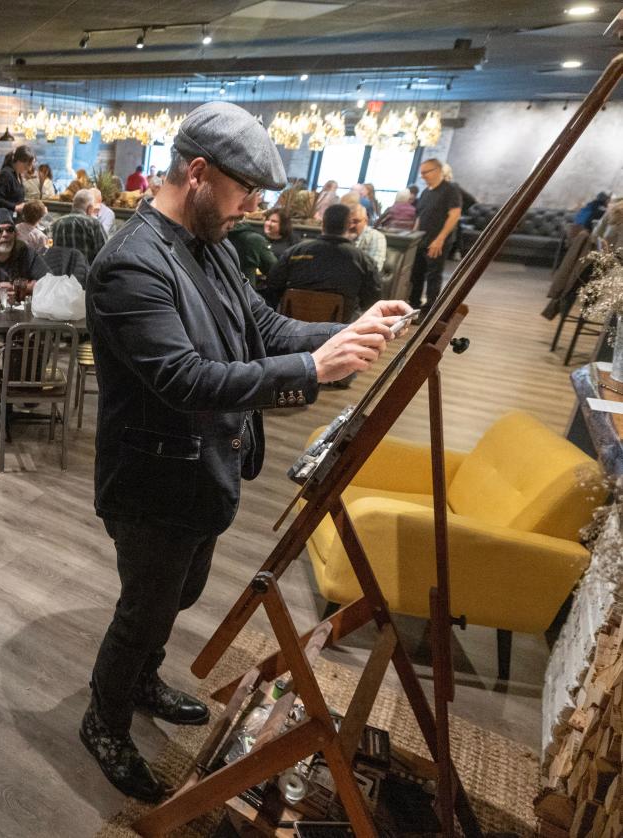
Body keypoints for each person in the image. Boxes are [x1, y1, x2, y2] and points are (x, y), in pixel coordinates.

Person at [80, 100, 409, 803]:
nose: (252, 207)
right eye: (244, 191)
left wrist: (344, 332)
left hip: (205, 466)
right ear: (197, 173)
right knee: (144, 607)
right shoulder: (130, 265)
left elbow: (259, 324)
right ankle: (102, 720)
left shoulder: (214, 244)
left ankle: (140, 681)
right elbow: (184, 379)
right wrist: (314, 369)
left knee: (179, 594)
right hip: (152, 478)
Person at [268, 203, 383, 321]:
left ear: (323, 223)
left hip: (291, 327)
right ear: (348, 225)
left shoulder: (295, 252)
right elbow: (372, 299)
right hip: (338, 331)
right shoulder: (362, 260)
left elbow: (273, 284)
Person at [409, 156, 462, 308]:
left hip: (438, 241)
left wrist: (440, 239)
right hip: (421, 240)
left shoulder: (450, 189)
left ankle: (430, 310)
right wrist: (413, 236)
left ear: (438, 170)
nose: (423, 175)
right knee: (416, 274)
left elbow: (454, 215)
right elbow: (420, 216)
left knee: (433, 276)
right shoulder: (425, 192)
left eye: (426, 172)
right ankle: (413, 306)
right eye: (422, 173)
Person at [49, 189, 106, 265]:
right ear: (89, 208)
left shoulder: (57, 224)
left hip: (60, 273)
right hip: (85, 273)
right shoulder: (93, 224)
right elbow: (103, 253)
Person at [0, 147, 34, 213]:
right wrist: (15, 207)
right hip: (5, 218)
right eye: (26, 166)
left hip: (14, 217)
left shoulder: (17, 174)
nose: (27, 169)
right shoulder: (6, 174)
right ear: (20, 161)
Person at [348, 203, 387, 275]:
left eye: (356, 221)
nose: (351, 226)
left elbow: (374, 269)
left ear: (366, 221)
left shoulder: (376, 237)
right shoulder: (342, 234)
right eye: (348, 222)